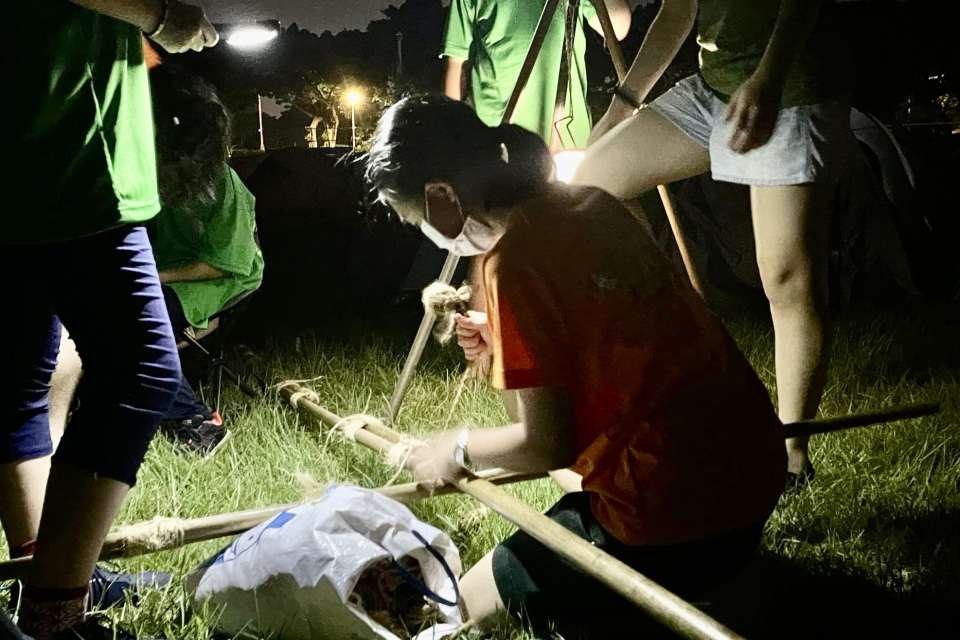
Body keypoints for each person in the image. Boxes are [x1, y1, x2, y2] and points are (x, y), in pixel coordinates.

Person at [365, 96, 785, 635]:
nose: (427, 230)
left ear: (442, 195)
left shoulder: (513, 263)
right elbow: (615, 343)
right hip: (752, 485)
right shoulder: (595, 204)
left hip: (668, 518)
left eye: (417, 218)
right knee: (577, 486)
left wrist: (455, 448)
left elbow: (546, 444)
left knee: (454, 608)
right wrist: (503, 348)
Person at [572, 0, 860, 486]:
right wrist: (624, 103)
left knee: (786, 275)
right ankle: (669, 326)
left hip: (789, 86)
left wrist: (768, 80)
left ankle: (790, 457)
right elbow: (679, 8)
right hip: (713, 88)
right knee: (590, 182)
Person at [1, 1, 217, 639]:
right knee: (141, 371)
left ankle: (50, 579)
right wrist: (161, 15)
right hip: (64, 153)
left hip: (29, 146)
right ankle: (53, 612)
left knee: (19, 387)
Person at [442, 0, 631, 318]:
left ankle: (566, 337)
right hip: (499, 135)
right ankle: (484, 348)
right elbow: (455, 64)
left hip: (565, 133)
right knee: (493, 243)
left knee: (569, 237)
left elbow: (618, 28)